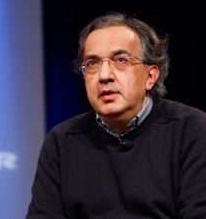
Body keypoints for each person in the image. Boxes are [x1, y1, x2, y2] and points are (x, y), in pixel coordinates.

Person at [25, 11, 206, 218]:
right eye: (92, 63)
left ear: (151, 76)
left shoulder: (191, 130)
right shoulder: (61, 141)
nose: (104, 76)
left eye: (120, 60)